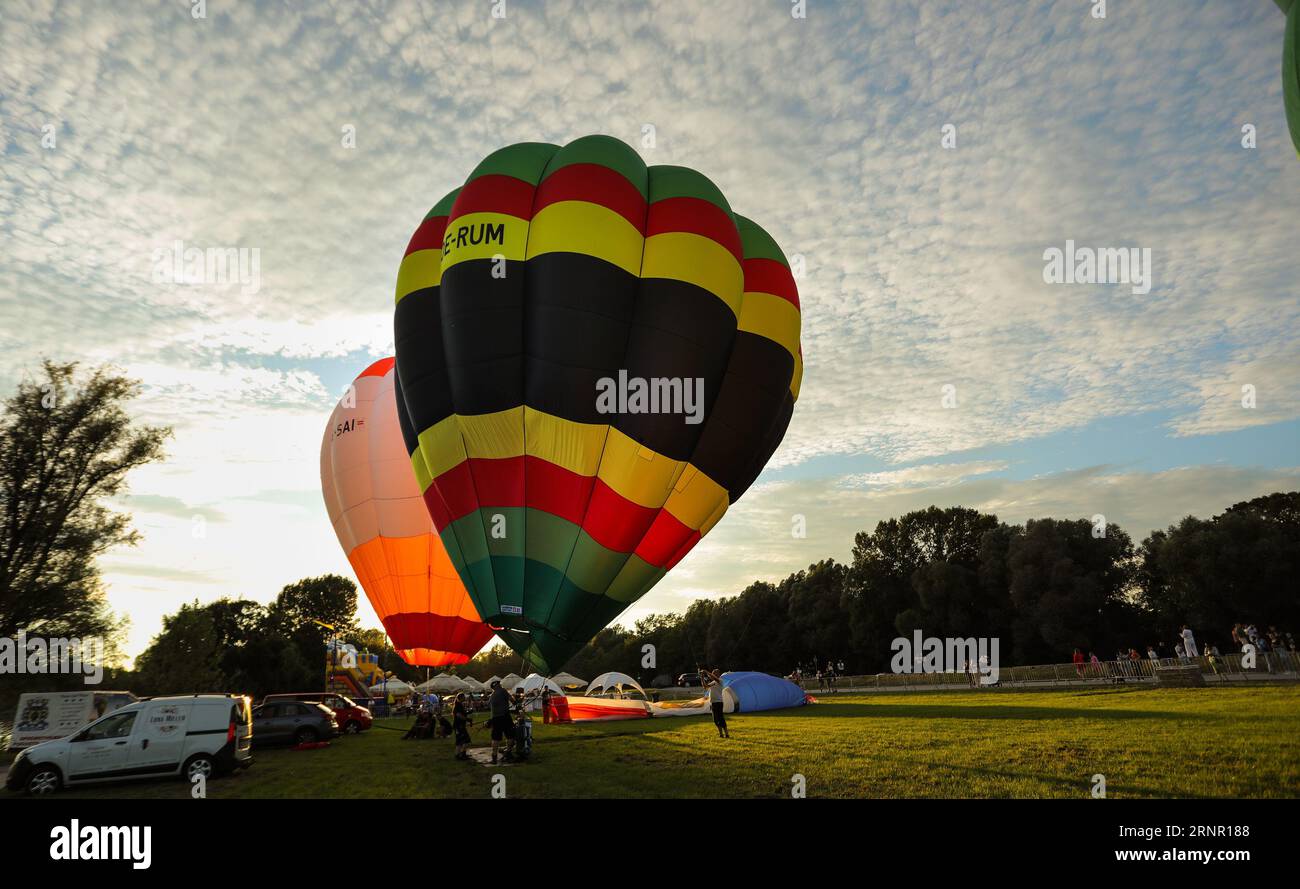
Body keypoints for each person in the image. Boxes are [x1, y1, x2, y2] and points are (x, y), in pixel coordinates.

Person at [487, 679, 515, 764]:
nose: (500, 685)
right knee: (510, 735)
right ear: (496, 686)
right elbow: (512, 700)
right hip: (505, 716)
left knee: (496, 738)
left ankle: (494, 757)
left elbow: (489, 706)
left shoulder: (492, 696)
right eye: (499, 684)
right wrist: (516, 702)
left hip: (495, 718)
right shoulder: (502, 690)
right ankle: (508, 752)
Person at [702, 668, 729, 738]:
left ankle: (727, 734)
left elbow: (713, 677)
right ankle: (721, 734)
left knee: (721, 719)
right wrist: (701, 677)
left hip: (719, 702)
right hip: (713, 703)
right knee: (715, 720)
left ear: (718, 674)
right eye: (713, 673)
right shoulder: (713, 682)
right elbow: (705, 686)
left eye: (714, 673)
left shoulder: (720, 681)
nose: (713, 674)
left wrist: (706, 672)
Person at [452, 692, 472, 760]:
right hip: (459, 726)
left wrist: (468, 712)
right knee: (466, 740)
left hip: (460, 725)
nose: (465, 698)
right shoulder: (458, 705)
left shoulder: (459, 705)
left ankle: (459, 754)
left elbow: (461, 713)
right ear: (461, 698)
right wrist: (467, 719)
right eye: (464, 697)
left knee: (461, 741)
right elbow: (458, 715)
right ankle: (461, 754)